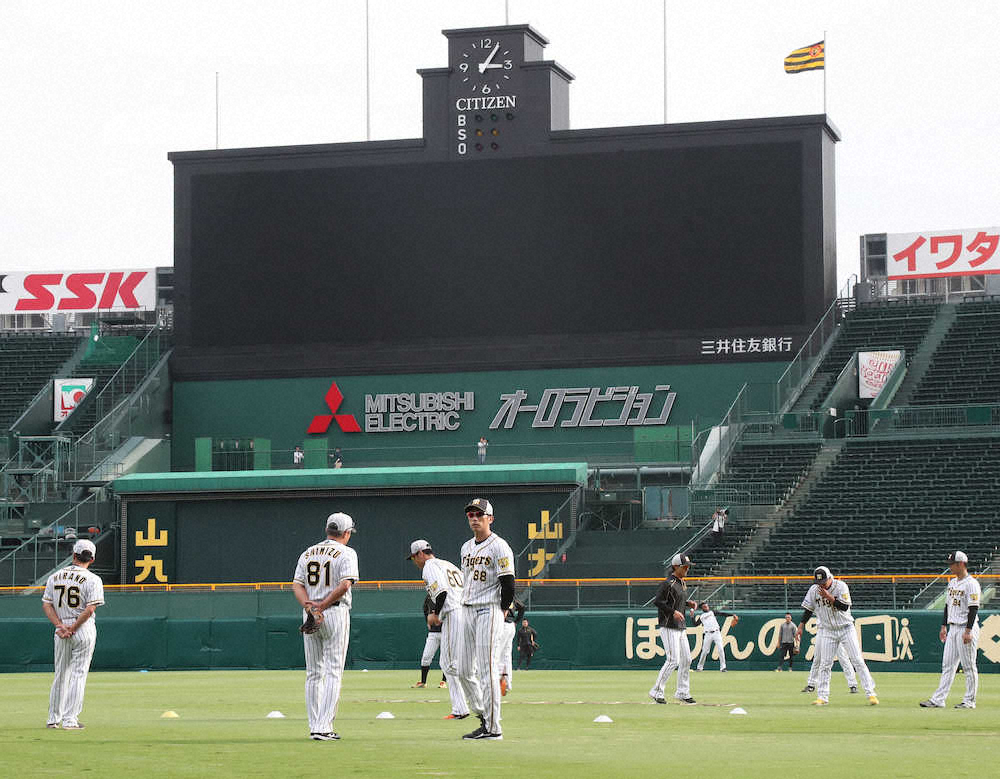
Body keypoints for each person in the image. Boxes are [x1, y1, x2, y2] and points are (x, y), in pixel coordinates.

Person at [292, 512, 359, 740]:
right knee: (332, 672)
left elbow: (297, 585)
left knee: (313, 673)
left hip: (310, 613)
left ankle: (314, 726)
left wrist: (311, 608)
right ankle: (324, 726)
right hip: (334, 612)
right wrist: (322, 605)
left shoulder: (308, 552)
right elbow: (345, 585)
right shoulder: (347, 552)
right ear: (346, 533)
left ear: (327, 530)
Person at [457, 497, 515, 740]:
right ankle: (483, 715)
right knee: (461, 670)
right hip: (467, 609)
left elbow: (509, 583)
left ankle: (494, 728)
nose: (475, 518)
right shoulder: (466, 547)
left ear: (490, 518)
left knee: (487, 670)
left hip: (488, 610)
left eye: (479, 514)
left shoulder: (499, 546)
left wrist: (502, 609)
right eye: (471, 514)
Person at [42, 539, 104, 730]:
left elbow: (47, 604)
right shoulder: (93, 579)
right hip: (82, 629)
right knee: (78, 673)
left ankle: (53, 719)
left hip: (61, 629)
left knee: (61, 673)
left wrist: (61, 626)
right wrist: (74, 628)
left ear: (73, 555)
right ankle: (70, 720)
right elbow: (90, 609)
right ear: (91, 559)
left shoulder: (55, 576)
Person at [407, 539, 472, 721]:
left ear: (420, 553)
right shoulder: (448, 564)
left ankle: (465, 708)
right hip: (466, 611)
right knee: (457, 663)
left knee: (450, 663)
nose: (415, 562)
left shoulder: (429, 566)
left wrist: (435, 613)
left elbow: (442, 592)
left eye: (414, 558)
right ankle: (464, 707)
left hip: (454, 613)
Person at [797, 565, 878, 706]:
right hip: (827, 630)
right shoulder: (814, 590)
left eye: (823, 582)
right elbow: (809, 609)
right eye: (818, 582)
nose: (821, 585)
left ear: (830, 578)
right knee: (825, 664)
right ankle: (822, 697)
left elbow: (845, 606)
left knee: (857, 660)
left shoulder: (840, 586)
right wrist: (801, 625)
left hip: (846, 628)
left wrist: (830, 597)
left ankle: (871, 693)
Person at [920, 551, 981, 709]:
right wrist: (943, 626)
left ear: (961, 564)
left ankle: (969, 701)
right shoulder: (952, 582)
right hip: (953, 627)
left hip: (965, 627)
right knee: (947, 665)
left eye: (952, 564)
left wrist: (968, 631)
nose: (950, 567)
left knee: (968, 666)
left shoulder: (971, 584)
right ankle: (939, 699)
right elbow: (948, 606)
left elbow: (973, 609)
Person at [648, 553, 697, 705]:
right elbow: (658, 602)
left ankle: (682, 692)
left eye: (688, 566)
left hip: (680, 626)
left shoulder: (682, 582)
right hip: (669, 625)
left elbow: (676, 601)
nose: (687, 569)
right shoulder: (668, 583)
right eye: (685, 566)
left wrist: (688, 604)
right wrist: (673, 612)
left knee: (687, 659)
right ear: (676, 567)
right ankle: (656, 691)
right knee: (673, 660)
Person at [411, 594, 448, 690]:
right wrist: (427, 621)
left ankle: (444, 681)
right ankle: (423, 682)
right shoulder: (429, 597)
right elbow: (425, 608)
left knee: (445, 659)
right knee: (426, 657)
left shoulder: (446, 595)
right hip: (434, 632)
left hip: (447, 631)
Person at [691, 601, 738, 672]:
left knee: (721, 649)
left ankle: (723, 667)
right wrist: (692, 616)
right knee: (704, 651)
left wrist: (732, 615)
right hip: (708, 634)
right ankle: (699, 667)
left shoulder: (712, 612)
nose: (706, 607)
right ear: (702, 608)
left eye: (707, 606)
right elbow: (695, 624)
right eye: (704, 606)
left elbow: (722, 614)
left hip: (716, 633)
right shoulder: (702, 617)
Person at [498, 598, 526, 694]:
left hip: (503, 624)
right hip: (510, 626)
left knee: (496, 654)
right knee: (506, 655)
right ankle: (508, 683)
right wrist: (516, 621)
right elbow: (522, 607)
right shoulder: (511, 595)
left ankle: (499, 681)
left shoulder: (499, 591)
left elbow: (522, 607)